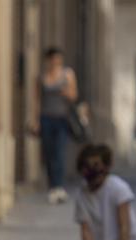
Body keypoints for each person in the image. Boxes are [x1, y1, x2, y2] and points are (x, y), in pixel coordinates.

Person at [34, 47, 79, 204]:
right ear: (48, 60)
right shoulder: (42, 77)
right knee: (48, 153)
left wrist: (66, 92)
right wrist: (36, 120)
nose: (55, 62)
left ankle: (59, 186)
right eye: (53, 59)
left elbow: (74, 95)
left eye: (58, 59)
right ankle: (52, 186)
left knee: (59, 152)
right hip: (46, 118)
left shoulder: (67, 74)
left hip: (62, 119)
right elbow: (38, 100)